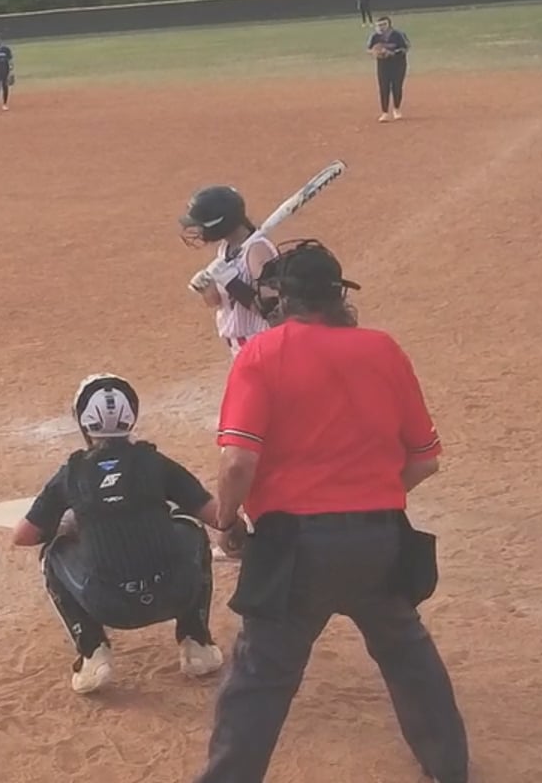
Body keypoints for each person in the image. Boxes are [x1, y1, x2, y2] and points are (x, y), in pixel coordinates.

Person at [193, 239, 468, 783]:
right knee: (408, 656)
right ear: (339, 296)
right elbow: (424, 460)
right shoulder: (383, 350)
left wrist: (226, 521)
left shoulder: (262, 354)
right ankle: (450, 770)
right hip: (380, 541)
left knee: (259, 678)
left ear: (280, 299)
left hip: (293, 549)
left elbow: (239, 463)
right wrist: (368, 497)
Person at [12, 374, 224, 695]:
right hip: (174, 593)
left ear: (83, 422)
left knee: (52, 550)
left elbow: (24, 536)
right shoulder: (155, 462)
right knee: (191, 528)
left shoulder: (72, 473)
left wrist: (72, 524)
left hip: (109, 605)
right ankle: (197, 644)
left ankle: (93, 653)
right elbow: (217, 516)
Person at [182, 185, 280, 359]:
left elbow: (272, 308)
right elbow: (221, 303)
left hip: (262, 345)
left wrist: (231, 282)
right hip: (240, 346)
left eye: (202, 225)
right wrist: (207, 288)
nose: (199, 231)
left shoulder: (257, 250)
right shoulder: (226, 248)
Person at [367, 16, 411, 122]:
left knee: (397, 86)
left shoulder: (398, 35)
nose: (381, 27)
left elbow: (406, 47)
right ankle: (385, 112)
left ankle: (396, 109)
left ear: (389, 25)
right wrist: (376, 53)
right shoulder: (375, 37)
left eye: (383, 24)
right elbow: (369, 49)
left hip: (398, 64)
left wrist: (392, 53)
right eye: (379, 25)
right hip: (383, 65)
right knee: (383, 87)